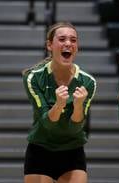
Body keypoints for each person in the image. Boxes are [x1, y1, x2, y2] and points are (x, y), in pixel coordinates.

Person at [22, 22, 97, 183]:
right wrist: (59, 105)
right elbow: (47, 123)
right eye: (62, 39)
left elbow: (76, 127)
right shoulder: (33, 78)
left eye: (73, 40)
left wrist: (78, 106)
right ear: (49, 45)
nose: (68, 44)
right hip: (41, 148)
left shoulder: (88, 82)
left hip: (72, 149)